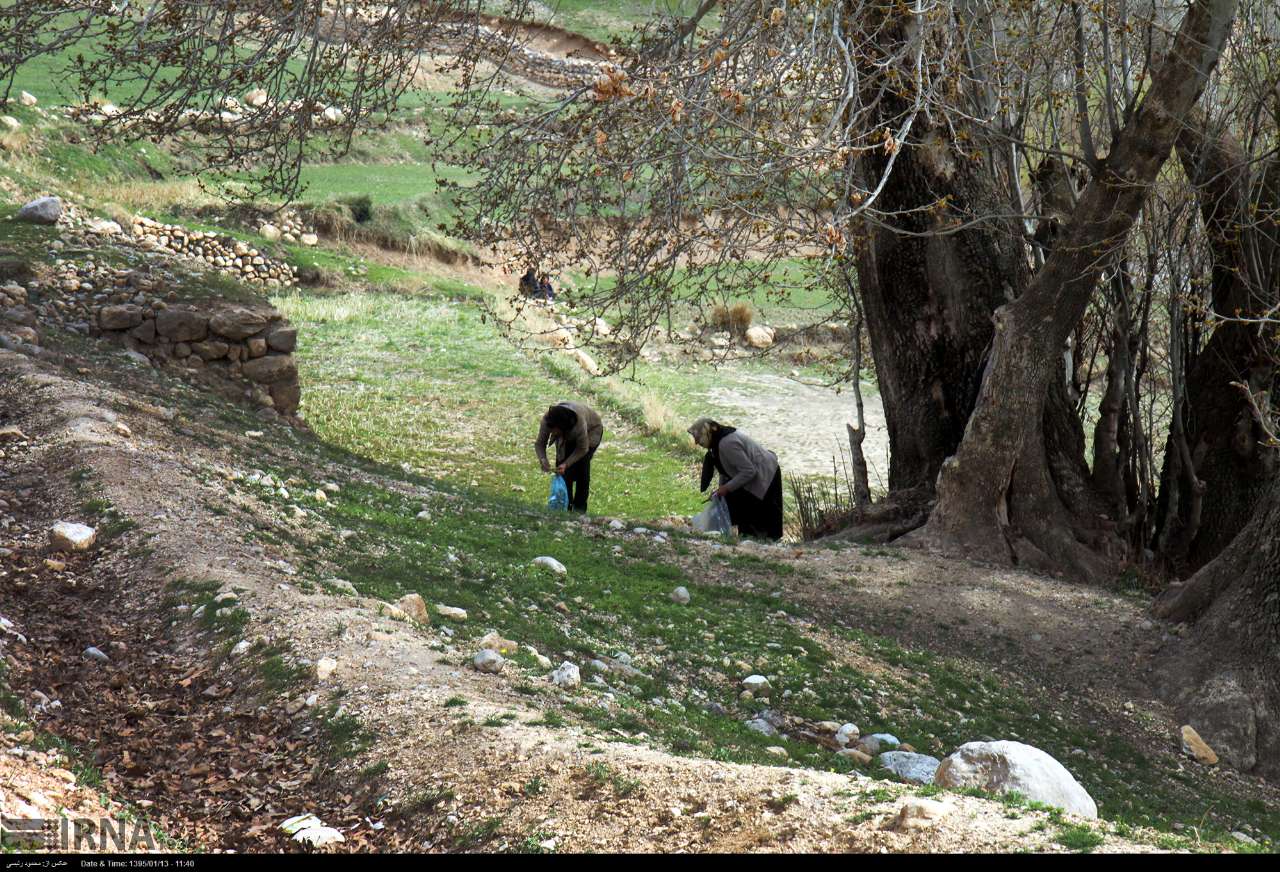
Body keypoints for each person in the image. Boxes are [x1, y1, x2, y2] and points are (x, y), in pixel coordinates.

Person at [687, 417, 783, 540]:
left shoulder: (726, 443)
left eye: (698, 437)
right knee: (747, 515)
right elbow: (725, 471)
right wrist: (720, 491)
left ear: (708, 432)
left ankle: (762, 545)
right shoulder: (716, 443)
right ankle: (748, 541)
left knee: (762, 519)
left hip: (767, 473)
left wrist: (726, 488)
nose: (696, 442)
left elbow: (749, 471)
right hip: (753, 473)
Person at [536, 401, 604, 513]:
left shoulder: (579, 423)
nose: (551, 432)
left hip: (592, 430)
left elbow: (582, 449)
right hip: (567, 432)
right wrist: (543, 459)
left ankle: (579, 508)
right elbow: (540, 444)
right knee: (562, 471)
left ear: (562, 428)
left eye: (554, 430)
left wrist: (567, 464)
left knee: (582, 467)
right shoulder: (547, 420)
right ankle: (564, 505)